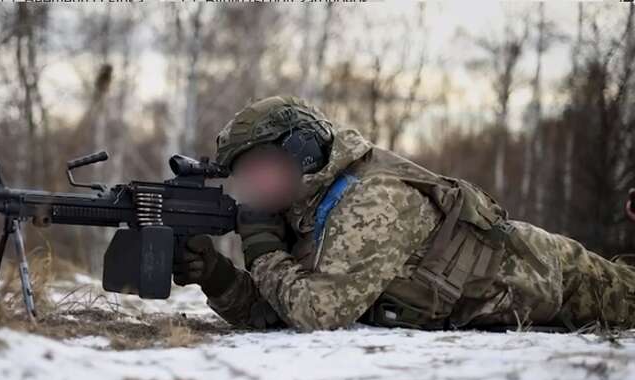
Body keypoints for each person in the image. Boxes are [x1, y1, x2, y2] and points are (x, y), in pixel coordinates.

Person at [172, 95, 635, 332]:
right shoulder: (302, 205)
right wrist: (218, 277)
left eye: (257, 170)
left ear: (302, 152)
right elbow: (281, 313)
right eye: (243, 176)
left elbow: (319, 314)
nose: (250, 188)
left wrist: (263, 250)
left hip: (560, 281)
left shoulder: (372, 197)